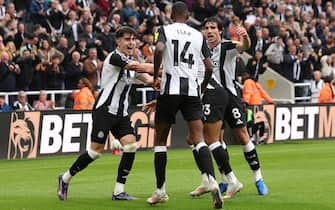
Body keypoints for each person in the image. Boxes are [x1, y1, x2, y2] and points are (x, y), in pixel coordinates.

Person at [57, 26, 155, 201]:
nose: (131, 43)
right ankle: (65, 178)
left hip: (121, 113)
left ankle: (118, 191)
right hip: (104, 110)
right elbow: (139, 67)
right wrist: (162, 66)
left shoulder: (131, 64)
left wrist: (162, 81)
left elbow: (148, 79)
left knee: (131, 145)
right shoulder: (115, 57)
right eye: (127, 39)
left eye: (133, 39)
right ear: (118, 41)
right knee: (96, 152)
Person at [147, 2, 223, 209]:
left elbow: (160, 48)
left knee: (161, 140)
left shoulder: (163, 30)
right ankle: (211, 180)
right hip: (191, 91)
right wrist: (202, 88)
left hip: (170, 90)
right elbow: (209, 66)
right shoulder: (198, 35)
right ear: (188, 15)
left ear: (171, 14)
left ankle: (160, 191)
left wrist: (155, 76)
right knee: (199, 139)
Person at [199, 16, 268, 196]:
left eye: (213, 27)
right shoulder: (200, 49)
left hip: (230, 96)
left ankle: (258, 178)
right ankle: (225, 179)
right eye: (206, 27)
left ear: (220, 31)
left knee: (242, 135)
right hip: (212, 98)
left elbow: (243, 46)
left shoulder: (227, 46)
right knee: (215, 139)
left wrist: (245, 37)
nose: (209, 31)